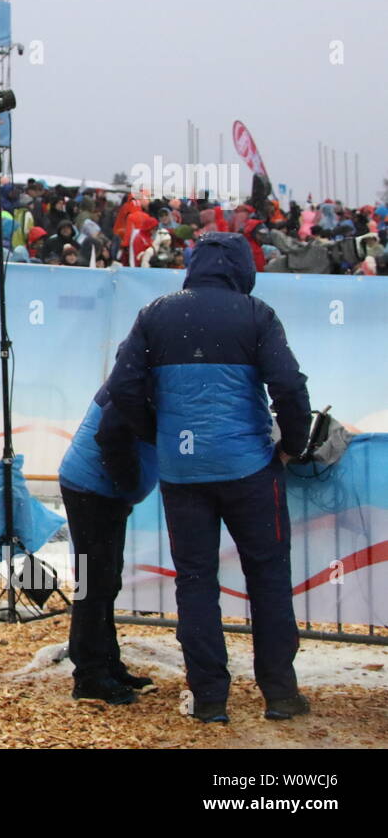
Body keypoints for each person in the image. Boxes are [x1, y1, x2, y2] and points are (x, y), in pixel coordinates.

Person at [106, 232, 312, 723]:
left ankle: (210, 699)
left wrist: (159, 434)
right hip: (251, 470)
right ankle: (280, 695)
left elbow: (124, 387)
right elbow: (288, 386)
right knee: (268, 578)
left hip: (183, 472)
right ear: (242, 268)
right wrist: (292, 446)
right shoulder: (256, 313)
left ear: (193, 265)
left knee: (195, 582)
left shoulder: (156, 311)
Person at [58, 385, 160, 704]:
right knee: (93, 582)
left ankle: (106, 663)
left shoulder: (140, 371)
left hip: (101, 488)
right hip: (92, 487)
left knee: (106, 580)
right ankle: (88, 675)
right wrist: (128, 486)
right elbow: (110, 435)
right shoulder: (139, 378)